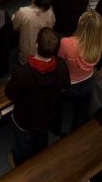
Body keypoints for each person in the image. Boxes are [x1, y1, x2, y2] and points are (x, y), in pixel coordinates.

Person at [5, 27, 69, 167]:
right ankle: (39, 157)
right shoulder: (62, 65)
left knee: (23, 145)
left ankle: (22, 165)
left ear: (36, 44)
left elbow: (10, 94)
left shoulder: (22, 72)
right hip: (47, 115)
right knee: (41, 138)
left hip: (24, 119)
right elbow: (65, 87)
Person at [56, 11, 102, 133]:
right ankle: (76, 132)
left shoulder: (66, 43)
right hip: (88, 81)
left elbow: (59, 61)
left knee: (58, 105)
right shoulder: (100, 42)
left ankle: (56, 129)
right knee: (81, 111)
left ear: (81, 24)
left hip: (69, 84)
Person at [12, 0, 56, 65]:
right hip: (45, 48)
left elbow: (14, 26)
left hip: (28, 51)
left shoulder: (23, 13)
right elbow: (53, 23)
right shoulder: (50, 10)